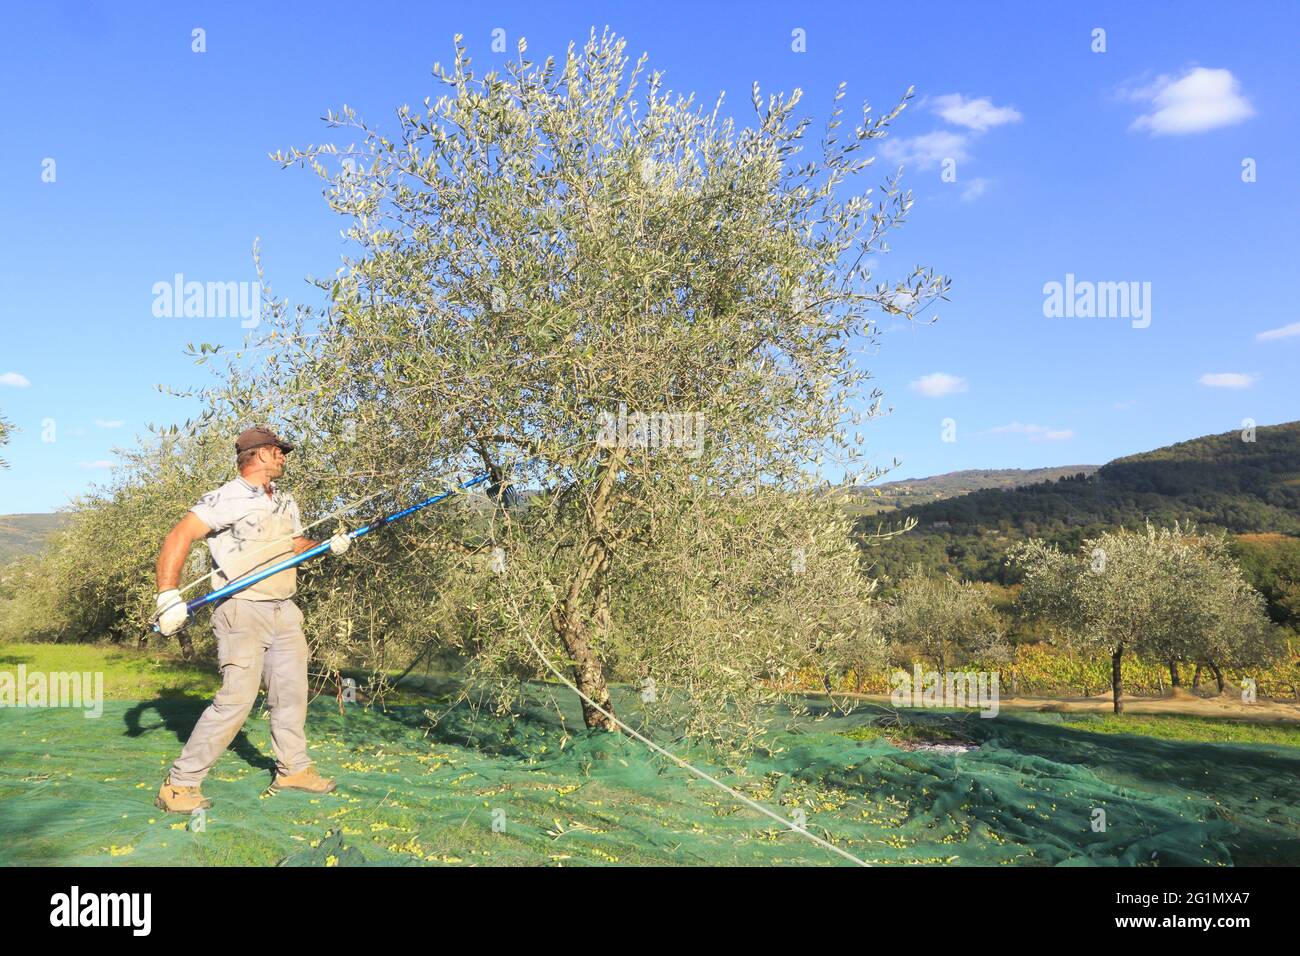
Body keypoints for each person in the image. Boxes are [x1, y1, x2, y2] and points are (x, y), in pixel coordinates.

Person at [152, 426, 350, 813]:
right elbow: (179, 535)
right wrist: (167, 594)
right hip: (241, 609)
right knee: (236, 700)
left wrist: (326, 546)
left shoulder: (284, 500)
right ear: (259, 454)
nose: (284, 458)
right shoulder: (225, 498)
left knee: (291, 695)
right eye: (279, 451)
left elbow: (292, 544)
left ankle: (292, 769)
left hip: (284, 609)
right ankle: (179, 785)